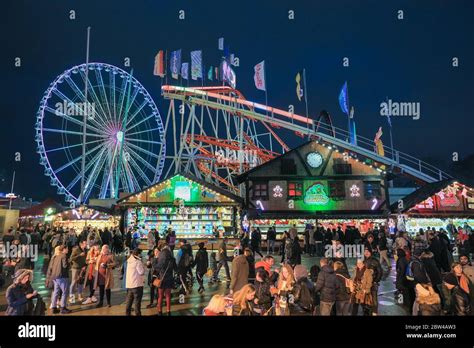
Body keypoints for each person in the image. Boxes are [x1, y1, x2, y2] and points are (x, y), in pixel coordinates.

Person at [46, 245, 71, 314]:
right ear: (64, 249)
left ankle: (53, 308)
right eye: (67, 248)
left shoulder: (55, 256)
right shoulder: (64, 256)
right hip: (62, 276)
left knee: (56, 292)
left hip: (55, 277)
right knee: (65, 292)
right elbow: (65, 266)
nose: (68, 250)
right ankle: (63, 308)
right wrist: (69, 262)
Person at [156, 242, 176, 315]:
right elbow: (175, 268)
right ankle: (168, 311)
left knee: (160, 296)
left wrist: (154, 262)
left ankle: (160, 311)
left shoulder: (161, 255)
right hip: (169, 277)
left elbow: (158, 267)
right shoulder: (172, 256)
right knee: (168, 295)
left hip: (162, 277)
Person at [125, 248, 145, 316]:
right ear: (138, 254)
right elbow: (141, 272)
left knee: (129, 302)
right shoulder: (137, 262)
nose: (141, 254)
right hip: (137, 285)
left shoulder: (129, 261)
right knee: (137, 303)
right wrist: (142, 264)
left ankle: (127, 314)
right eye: (140, 253)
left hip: (130, 285)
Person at [363, 248, 383, 315]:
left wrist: (376, 281)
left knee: (374, 298)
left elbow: (380, 272)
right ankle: (367, 311)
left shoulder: (375, 260)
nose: (366, 253)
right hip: (365, 283)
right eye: (365, 251)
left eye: (367, 251)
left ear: (370, 252)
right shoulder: (364, 260)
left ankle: (374, 312)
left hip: (373, 283)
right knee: (366, 297)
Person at [69, 240, 87, 304]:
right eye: (85, 243)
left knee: (81, 282)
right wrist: (79, 255)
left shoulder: (85, 250)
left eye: (86, 243)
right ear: (81, 244)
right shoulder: (76, 250)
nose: (86, 244)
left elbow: (85, 259)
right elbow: (71, 259)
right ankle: (71, 297)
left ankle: (80, 296)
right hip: (75, 268)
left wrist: (85, 265)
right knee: (73, 282)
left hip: (82, 268)